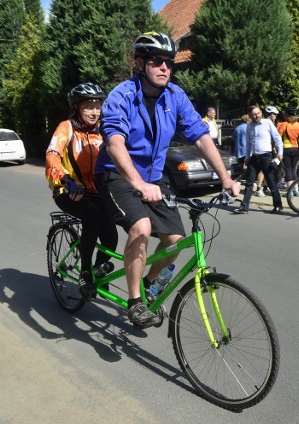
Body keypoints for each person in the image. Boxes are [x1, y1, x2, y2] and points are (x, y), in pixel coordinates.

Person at [94, 32, 240, 328]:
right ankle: (135, 302)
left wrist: (224, 178)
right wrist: (137, 183)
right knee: (142, 228)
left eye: (169, 63)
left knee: (174, 240)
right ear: (139, 63)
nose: (165, 68)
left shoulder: (175, 96)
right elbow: (115, 144)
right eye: (157, 61)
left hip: (154, 177)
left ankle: (148, 285)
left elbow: (200, 136)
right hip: (117, 174)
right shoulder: (122, 96)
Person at [45, 83, 119, 299]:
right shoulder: (66, 128)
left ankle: (98, 270)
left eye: (97, 106)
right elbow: (52, 155)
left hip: (97, 191)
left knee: (110, 236)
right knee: (92, 216)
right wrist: (65, 179)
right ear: (77, 107)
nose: (95, 112)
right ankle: (85, 273)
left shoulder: (103, 130)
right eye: (89, 106)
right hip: (69, 189)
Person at [234, 105, 284, 214]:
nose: (257, 116)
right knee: (249, 182)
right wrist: (247, 157)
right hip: (254, 158)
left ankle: (278, 205)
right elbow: (248, 143)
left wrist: (280, 153)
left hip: (266, 156)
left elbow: (277, 138)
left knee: (271, 182)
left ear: (261, 112)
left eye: (258, 113)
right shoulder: (249, 126)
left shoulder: (267, 123)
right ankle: (244, 206)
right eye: (254, 114)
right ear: (250, 116)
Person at [277, 106, 299, 196]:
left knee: (287, 169)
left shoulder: (284, 124)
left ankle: (290, 191)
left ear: (287, 114)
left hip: (286, 148)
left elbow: (278, 137)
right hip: (295, 148)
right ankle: (296, 190)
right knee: (293, 170)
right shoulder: (298, 124)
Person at [255, 105, 281, 195]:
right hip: (265, 150)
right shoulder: (266, 123)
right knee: (263, 169)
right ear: (270, 115)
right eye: (275, 115)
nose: (276, 116)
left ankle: (266, 187)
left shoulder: (271, 123)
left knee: (269, 169)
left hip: (271, 149)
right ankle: (258, 189)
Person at [232, 114, 250, 178]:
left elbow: (233, 138)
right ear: (248, 120)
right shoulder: (248, 127)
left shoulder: (237, 128)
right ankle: (247, 177)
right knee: (249, 164)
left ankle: (237, 176)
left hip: (238, 148)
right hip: (246, 149)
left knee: (240, 164)